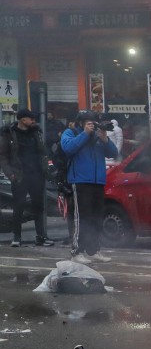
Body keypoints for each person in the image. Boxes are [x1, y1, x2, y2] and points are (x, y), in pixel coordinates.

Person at [61, 110, 118, 263]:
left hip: (98, 181)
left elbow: (114, 152)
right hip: (79, 181)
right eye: (88, 122)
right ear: (81, 122)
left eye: (93, 122)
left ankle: (93, 250)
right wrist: (85, 134)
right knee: (81, 218)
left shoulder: (98, 136)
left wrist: (105, 138)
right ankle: (77, 251)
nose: (91, 125)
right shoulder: (71, 132)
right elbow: (68, 148)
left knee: (96, 217)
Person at [0, 109, 54, 247]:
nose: (33, 121)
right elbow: (3, 155)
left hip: (36, 174)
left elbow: (42, 151)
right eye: (31, 119)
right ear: (23, 120)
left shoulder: (36, 132)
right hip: (19, 175)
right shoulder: (10, 133)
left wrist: (45, 169)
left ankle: (41, 236)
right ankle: (17, 236)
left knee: (39, 206)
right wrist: (10, 173)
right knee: (19, 206)